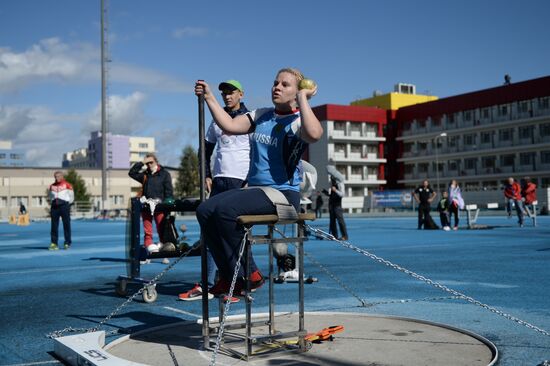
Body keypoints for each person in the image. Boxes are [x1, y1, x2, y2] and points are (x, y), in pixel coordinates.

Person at [193, 67, 322, 298]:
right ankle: (227, 275)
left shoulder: (297, 121)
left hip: (283, 195)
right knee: (204, 210)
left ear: (297, 92)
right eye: (275, 82)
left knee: (224, 210)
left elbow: (314, 134)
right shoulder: (262, 115)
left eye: (285, 85)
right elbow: (230, 126)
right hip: (258, 190)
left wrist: (304, 98)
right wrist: (210, 97)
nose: (277, 87)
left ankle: (249, 274)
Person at [179, 79, 250, 302]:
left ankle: (238, 284)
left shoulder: (251, 119)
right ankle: (207, 284)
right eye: (224, 94)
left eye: (231, 92)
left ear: (241, 94)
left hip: (241, 184)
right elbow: (205, 150)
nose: (227, 96)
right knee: (209, 234)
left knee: (237, 237)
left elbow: (259, 152)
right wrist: (206, 175)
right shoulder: (216, 120)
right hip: (219, 183)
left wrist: (251, 180)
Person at [128, 153, 174, 253]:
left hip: (160, 207)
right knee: (147, 232)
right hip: (146, 207)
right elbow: (131, 173)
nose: (149, 165)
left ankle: (165, 253)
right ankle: (148, 253)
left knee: (162, 230)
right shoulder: (145, 175)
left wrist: (167, 207)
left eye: (151, 162)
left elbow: (169, 192)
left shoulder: (165, 174)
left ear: (156, 162)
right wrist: (141, 163)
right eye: (147, 163)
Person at [48, 171, 74, 250]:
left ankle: (67, 242)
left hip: (64, 206)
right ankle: (54, 243)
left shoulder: (67, 185)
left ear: (62, 176)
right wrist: (52, 202)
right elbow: (50, 196)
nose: (57, 178)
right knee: (54, 226)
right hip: (54, 207)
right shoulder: (51, 186)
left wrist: (67, 205)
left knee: (66, 225)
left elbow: (72, 197)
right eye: (55, 176)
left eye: (58, 176)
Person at [323, 176, 348, 240]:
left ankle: (345, 236)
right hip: (331, 205)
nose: (331, 181)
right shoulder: (332, 186)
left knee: (340, 222)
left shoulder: (340, 184)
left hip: (337, 206)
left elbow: (342, 194)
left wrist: (335, 190)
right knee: (332, 222)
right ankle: (334, 236)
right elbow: (331, 195)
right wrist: (326, 192)